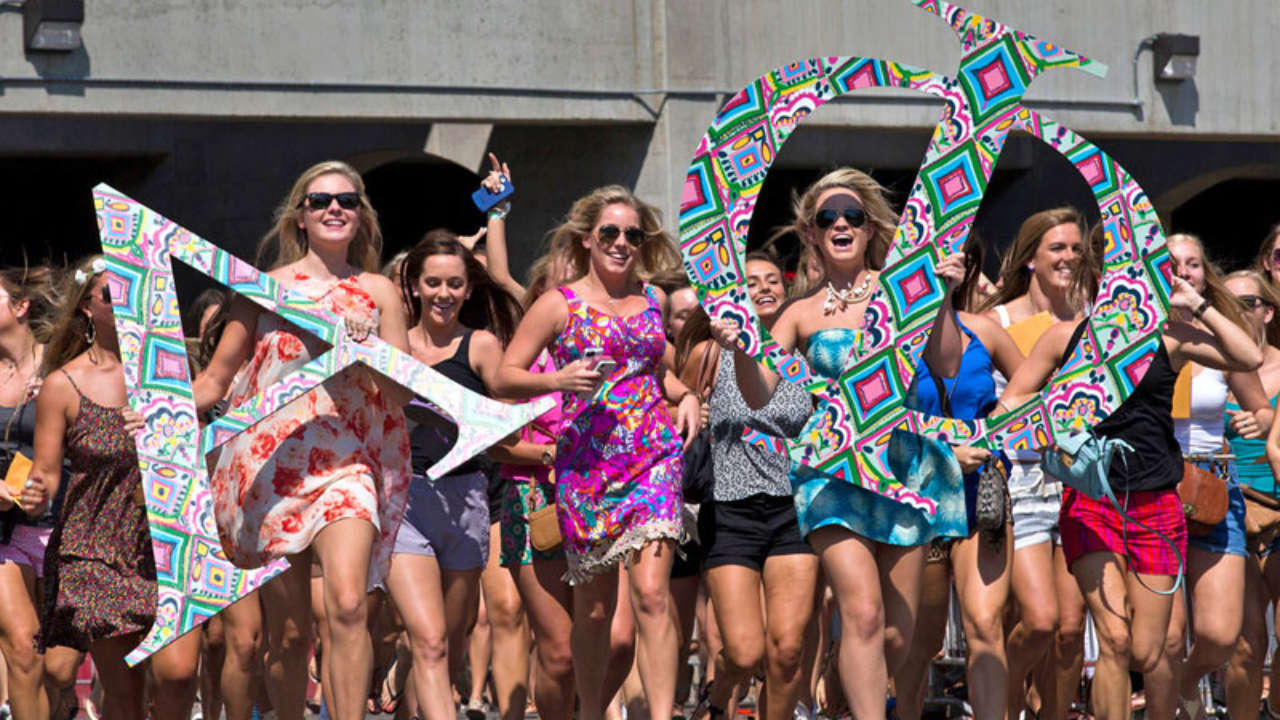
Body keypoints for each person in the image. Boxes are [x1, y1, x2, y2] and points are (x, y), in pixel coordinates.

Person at [712, 168, 950, 720]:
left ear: (870, 228)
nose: (841, 224)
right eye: (827, 218)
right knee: (862, 612)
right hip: (831, 471)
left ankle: (844, 697)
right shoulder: (799, 313)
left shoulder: (905, 289)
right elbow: (757, 395)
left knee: (895, 636)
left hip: (902, 467)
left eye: (853, 216)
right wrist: (744, 345)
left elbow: (947, 362)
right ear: (812, 233)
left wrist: (943, 296)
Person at [191, 161, 413, 720]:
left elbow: (402, 393)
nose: (334, 208)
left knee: (348, 605)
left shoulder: (380, 291)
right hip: (273, 470)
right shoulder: (263, 288)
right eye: (321, 201)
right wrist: (153, 415)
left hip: (349, 467)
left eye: (347, 200)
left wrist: (369, 349)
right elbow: (215, 380)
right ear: (301, 215)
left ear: (361, 215)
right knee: (288, 635)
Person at [997, 260, 1263, 720]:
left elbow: (1248, 356)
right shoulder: (1067, 336)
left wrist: (1195, 302)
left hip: (1157, 502)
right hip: (1091, 500)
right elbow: (1012, 400)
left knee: (1147, 649)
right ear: (1101, 276)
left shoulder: (1169, 337)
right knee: (1115, 639)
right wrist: (1050, 421)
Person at [494, 185, 699, 720]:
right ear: (587, 239)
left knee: (652, 594)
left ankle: (661, 714)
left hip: (653, 458)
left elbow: (657, 373)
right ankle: (589, 712)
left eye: (633, 234)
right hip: (586, 467)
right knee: (594, 609)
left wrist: (687, 396)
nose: (622, 242)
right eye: (610, 232)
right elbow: (503, 377)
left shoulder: (652, 300)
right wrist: (557, 380)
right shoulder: (558, 304)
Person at [27, 255, 203, 720]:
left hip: (169, 541)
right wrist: (35, 492)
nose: (124, 299)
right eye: (111, 292)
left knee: (179, 674)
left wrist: (168, 429)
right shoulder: (63, 385)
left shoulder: (170, 370)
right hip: (97, 547)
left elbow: (205, 441)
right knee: (124, 690)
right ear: (87, 307)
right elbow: (47, 471)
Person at [391, 228, 538, 720]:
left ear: (469, 289)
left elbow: (506, 419)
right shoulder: (394, 344)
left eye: (455, 284)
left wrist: (554, 392)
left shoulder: (482, 345)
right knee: (430, 640)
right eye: (433, 282)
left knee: (449, 643)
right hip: (405, 499)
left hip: (467, 499)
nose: (444, 293)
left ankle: (407, 691)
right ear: (414, 286)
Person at [894, 240, 1024, 720]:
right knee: (920, 638)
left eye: (960, 258)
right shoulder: (889, 340)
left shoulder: (985, 330)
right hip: (920, 497)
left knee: (986, 625)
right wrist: (944, 454)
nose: (947, 264)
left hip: (981, 493)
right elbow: (872, 421)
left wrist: (994, 429)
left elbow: (1033, 390)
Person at [689, 251, 819, 720]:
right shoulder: (711, 353)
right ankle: (716, 699)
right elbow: (672, 400)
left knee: (786, 652)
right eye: (751, 282)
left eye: (772, 280)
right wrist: (692, 407)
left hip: (794, 510)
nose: (763, 288)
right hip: (730, 512)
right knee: (744, 653)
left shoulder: (809, 355)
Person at [1149, 234, 1273, 720]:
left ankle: (1185, 683)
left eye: (1193, 264)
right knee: (1168, 636)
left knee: (1221, 636)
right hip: (1155, 484)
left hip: (1213, 486)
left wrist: (1257, 421)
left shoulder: (1220, 339)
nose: (1182, 272)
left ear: (1205, 276)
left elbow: (1261, 407)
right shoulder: (1135, 335)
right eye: (1171, 263)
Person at [977, 208, 1091, 720]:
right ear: (1030, 259)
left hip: (1078, 479)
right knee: (1040, 620)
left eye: (1076, 248)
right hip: (1019, 481)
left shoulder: (1091, 317)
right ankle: (1001, 699)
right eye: (1057, 248)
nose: (1069, 257)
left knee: (1069, 630)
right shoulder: (996, 321)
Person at [0, 265, 61, 720]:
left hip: (64, 525)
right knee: (23, 647)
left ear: (21, 307)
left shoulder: (62, 362)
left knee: (59, 669)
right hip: (4, 530)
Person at [1221, 270, 1280, 718]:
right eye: (1227, 302)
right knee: (1246, 644)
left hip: (1279, 508)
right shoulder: (1206, 368)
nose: (1238, 312)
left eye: (1248, 303)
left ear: (1269, 311)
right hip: (1228, 514)